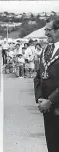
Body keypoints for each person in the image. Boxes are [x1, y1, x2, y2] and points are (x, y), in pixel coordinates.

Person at [34, 18, 59, 152]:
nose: (46, 33)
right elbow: (38, 77)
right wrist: (40, 98)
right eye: (45, 30)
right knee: (51, 143)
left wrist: (50, 100)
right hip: (47, 108)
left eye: (49, 30)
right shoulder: (45, 50)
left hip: (56, 104)